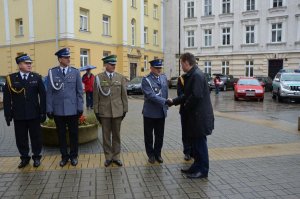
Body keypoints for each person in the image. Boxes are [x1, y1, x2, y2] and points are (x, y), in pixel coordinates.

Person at [167, 52, 214, 179]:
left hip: (199, 118)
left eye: (182, 63)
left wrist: (186, 106)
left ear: (187, 62)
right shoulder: (192, 75)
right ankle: (196, 166)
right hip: (195, 118)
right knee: (195, 145)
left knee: (200, 144)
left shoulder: (197, 75)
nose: (181, 66)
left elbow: (196, 96)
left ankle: (203, 170)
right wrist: (173, 102)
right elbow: (186, 95)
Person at [3, 54, 46, 168]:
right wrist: (7, 114)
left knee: (36, 137)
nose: (29, 65)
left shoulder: (36, 77)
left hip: (34, 114)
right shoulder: (11, 79)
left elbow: (43, 96)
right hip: (19, 114)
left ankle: (36, 157)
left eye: (30, 63)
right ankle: (24, 158)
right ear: (20, 65)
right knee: (21, 138)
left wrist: (43, 112)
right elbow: (7, 99)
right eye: (27, 63)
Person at [46, 48, 84, 167]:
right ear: (60, 59)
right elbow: (49, 93)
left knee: (74, 134)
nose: (68, 59)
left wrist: (80, 107)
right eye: (66, 57)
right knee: (61, 135)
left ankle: (73, 156)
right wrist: (49, 108)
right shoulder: (52, 72)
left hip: (72, 109)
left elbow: (79, 92)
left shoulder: (75, 72)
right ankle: (64, 156)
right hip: (58, 110)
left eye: (69, 57)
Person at [93, 55, 128, 167]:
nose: (113, 66)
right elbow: (96, 96)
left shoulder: (120, 77)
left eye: (114, 64)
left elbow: (124, 95)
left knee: (117, 135)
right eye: (111, 64)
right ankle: (108, 157)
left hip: (118, 111)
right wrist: (96, 110)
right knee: (106, 136)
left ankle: (116, 157)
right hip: (104, 112)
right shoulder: (98, 78)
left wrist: (125, 110)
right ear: (105, 65)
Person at [141, 59, 168, 164]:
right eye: (157, 68)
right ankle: (151, 155)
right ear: (151, 68)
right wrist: (165, 102)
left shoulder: (163, 77)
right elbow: (151, 95)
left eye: (160, 68)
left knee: (159, 135)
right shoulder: (146, 80)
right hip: (150, 113)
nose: (159, 70)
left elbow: (165, 92)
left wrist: (165, 106)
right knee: (148, 135)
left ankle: (158, 154)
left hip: (161, 112)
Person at [177, 74, 192, 161]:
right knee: (185, 132)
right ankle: (187, 152)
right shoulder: (182, 78)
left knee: (195, 131)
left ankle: (194, 151)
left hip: (195, 110)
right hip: (185, 109)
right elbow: (180, 93)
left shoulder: (198, 76)